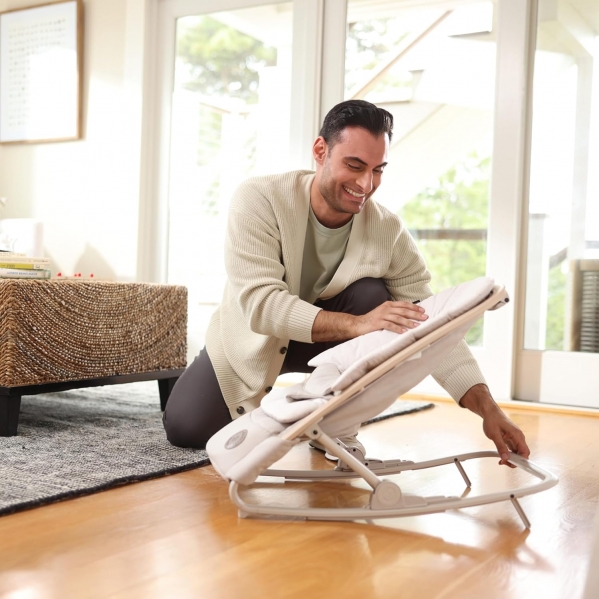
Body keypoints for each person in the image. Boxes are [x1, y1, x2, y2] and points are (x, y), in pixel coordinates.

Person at [163, 99, 529, 467]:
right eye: (354, 166)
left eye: (377, 170)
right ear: (320, 151)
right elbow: (262, 306)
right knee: (186, 428)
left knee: (375, 297)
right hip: (251, 340)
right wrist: (358, 324)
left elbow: (431, 326)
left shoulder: (388, 231)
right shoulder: (259, 199)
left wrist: (489, 410)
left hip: (331, 350)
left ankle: (335, 425)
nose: (366, 184)